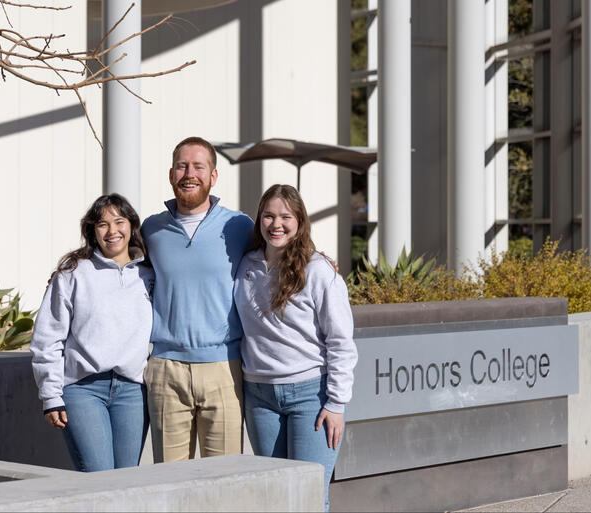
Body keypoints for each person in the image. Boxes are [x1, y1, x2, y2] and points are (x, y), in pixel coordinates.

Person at [233, 184, 358, 511]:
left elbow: (341, 341)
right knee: (273, 497)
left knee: (309, 497)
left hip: (311, 397)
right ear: (259, 220)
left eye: (286, 217)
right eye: (269, 216)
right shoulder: (245, 266)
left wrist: (336, 402)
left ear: (300, 221)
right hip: (259, 396)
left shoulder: (318, 271)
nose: (277, 224)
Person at [141, 136, 254, 462]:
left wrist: (320, 260)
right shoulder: (151, 229)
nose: (189, 173)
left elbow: (278, 255)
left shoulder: (239, 226)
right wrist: (68, 270)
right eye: (182, 166)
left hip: (224, 369)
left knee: (224, 480)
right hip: (165, 369)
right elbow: (119, 264)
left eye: (198, 167)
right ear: (171, 173)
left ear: (213, 176)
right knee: (169, 482)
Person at [30, 194, 154, 472]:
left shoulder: (148, 274)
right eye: (102, 224)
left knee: (126, 479)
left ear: (131, 226)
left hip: (133, 392)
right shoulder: (72, 273)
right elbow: (47, 338)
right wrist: (51, 397)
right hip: (83, 390)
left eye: (119, 222)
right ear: (92, 231)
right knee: (98, 476)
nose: (112, 231)